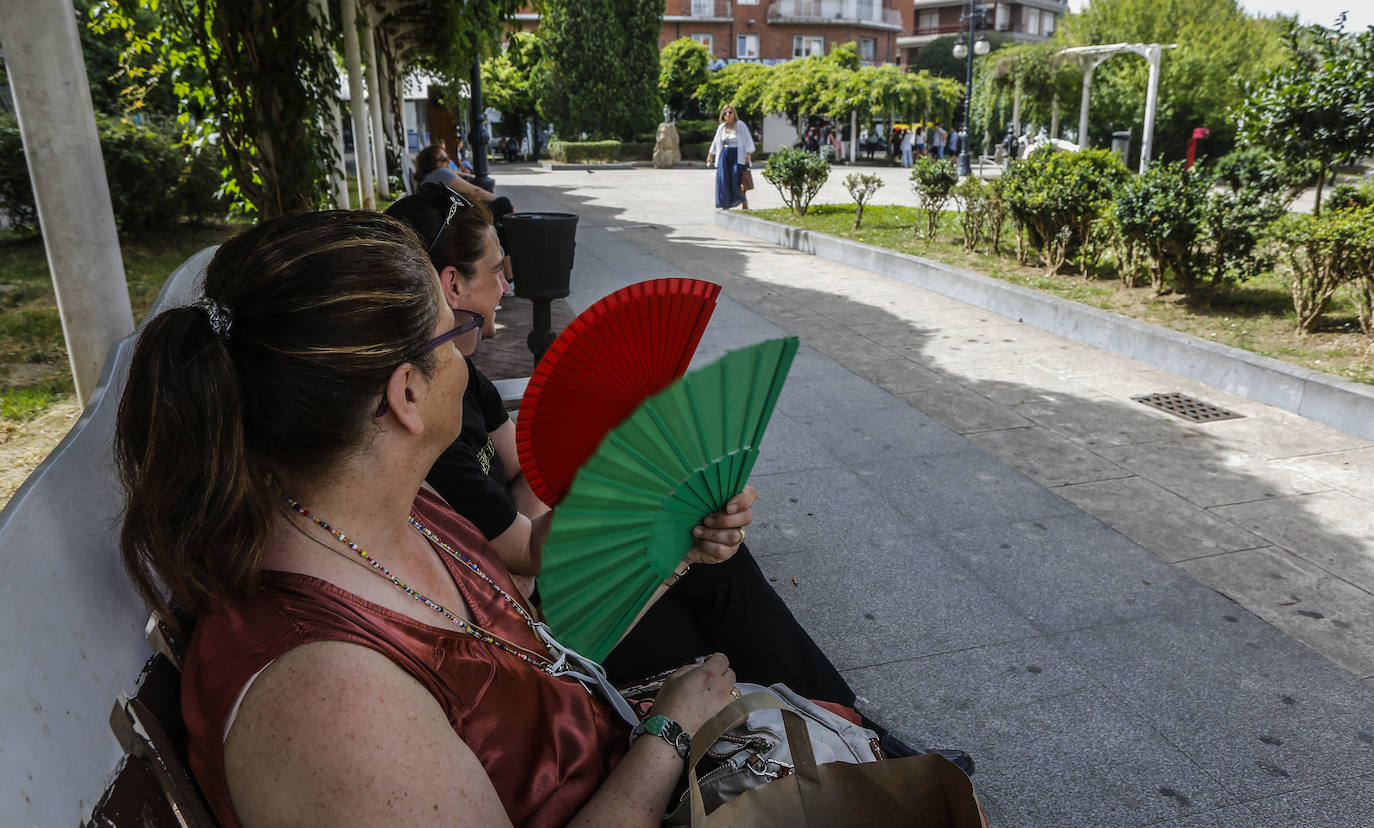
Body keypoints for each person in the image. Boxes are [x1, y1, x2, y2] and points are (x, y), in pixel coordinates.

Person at [115, 210, 749, 826]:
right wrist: (669, 735)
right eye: (452, 336)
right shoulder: (327, 701)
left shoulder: (397, 508)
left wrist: (669, 545)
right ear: (407, 392)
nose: (469, 357)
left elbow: (528, 654)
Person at [383, 184, 863, 708]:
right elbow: (529, 553)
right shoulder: (432, 420)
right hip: (540, 637)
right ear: (452, 285)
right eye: (497, 269)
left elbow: (521, 475)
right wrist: (618, 455)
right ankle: (860, 746)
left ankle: (861, 738)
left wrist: (538, 516)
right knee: (716, 598)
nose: (507, 283)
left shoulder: (465, 377)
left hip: (545, 587)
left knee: (720, 563)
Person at [705, 104, 754, 211]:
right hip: (724, 155)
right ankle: (725, 204)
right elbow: (716, 141)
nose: (728, 114)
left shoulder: (740, 125)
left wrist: (748, 153)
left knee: (736, 179)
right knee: (723, 180)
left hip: (737, 155)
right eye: (725, 112)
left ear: (734, 114)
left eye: (730, 112)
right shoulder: (721, 127)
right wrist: (710, 154)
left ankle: (743, 200)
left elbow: (748, 139)